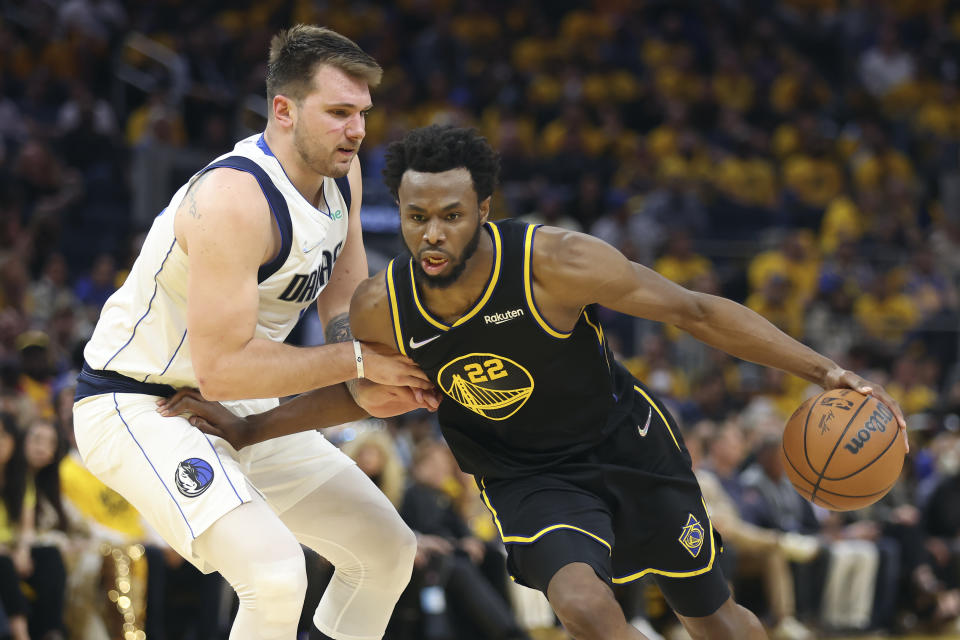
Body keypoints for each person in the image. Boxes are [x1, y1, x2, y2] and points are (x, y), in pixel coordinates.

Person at [162, 125, 907, 640]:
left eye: (451, 215)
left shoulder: (558, 261)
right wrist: (251, 427)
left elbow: (695, 310)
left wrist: (823, 369)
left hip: (627, 443)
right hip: (524, 473)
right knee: (584, 604)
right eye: (417, 216)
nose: (432, 233)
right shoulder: (384, 306)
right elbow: (365, 391)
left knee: (711, 616)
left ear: (484, 210)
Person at [74, 25, 438, 640]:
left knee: (386, 552)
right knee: (273, 575)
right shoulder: (233, 199)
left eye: (364, 114)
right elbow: (224, 367)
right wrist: (355, 363)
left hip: (236, 399)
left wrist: (379, 371)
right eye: (340, 113)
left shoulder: (341, 178)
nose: (357, 131)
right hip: (139, 402)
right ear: (284, 110)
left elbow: (344, 310)